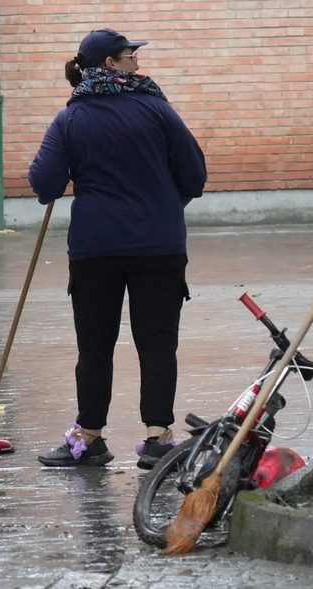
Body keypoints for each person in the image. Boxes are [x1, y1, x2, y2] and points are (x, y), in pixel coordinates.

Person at [29, 28, 207, 468]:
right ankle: (158, 439)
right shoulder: (159, 109)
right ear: (110, 64)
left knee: (94, 345)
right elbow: (195, 176)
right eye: (130, 57)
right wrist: (163, 204)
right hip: (160, 244)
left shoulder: (70, 118)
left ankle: (89, 437)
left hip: (96, 247)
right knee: (158, 341)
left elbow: (44, 183)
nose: (137, 65)